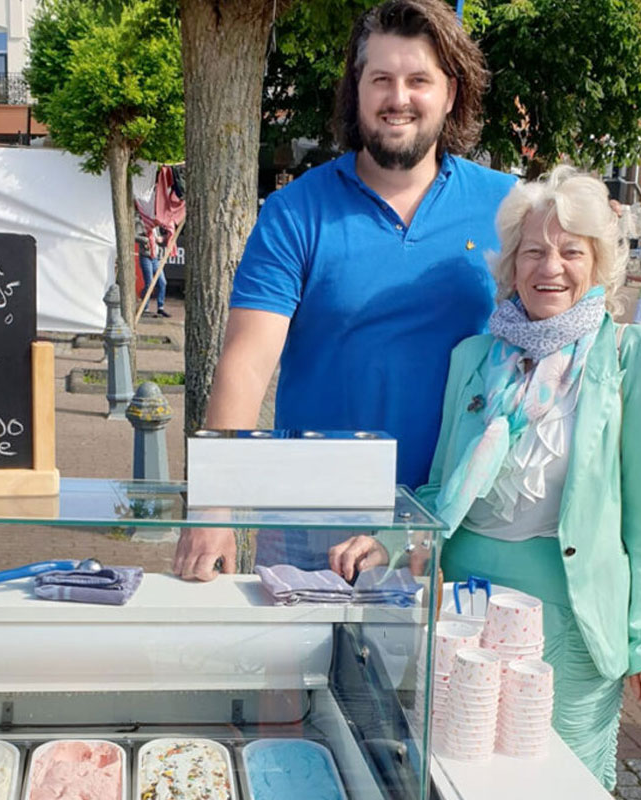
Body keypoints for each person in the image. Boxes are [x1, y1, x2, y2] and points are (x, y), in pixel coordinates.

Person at [329, 167, 641, 790]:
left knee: (556, 779)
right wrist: (388, 536)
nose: (552, 266)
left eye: (572, 251)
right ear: (512, 266)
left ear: (598, 264)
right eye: (534, 251)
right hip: (465, 612)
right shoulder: (474, 359)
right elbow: (442, 489)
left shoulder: (636, 357)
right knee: (461, 770)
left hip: (572, 622)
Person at [172, 0, 516, 580]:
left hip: (457, 511)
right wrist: (212, 506)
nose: (398, 98)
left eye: (418, 81)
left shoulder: (508, 208)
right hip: (315, 518)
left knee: (454, 673)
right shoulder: (295, 213)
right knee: (302, 671)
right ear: (356, 89)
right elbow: (245, 366)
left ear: (451, 93)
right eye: (380, 78)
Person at [136, 219, 170, 317]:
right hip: (146, 257)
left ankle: (160, 307)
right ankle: (145, 307)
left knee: (162, 282)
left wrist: (162, 238)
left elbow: (163, 238)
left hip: (156, 257)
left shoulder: (156, 225)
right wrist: (145, 240)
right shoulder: (140, 222)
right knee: (149, 283)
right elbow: (134, 236)